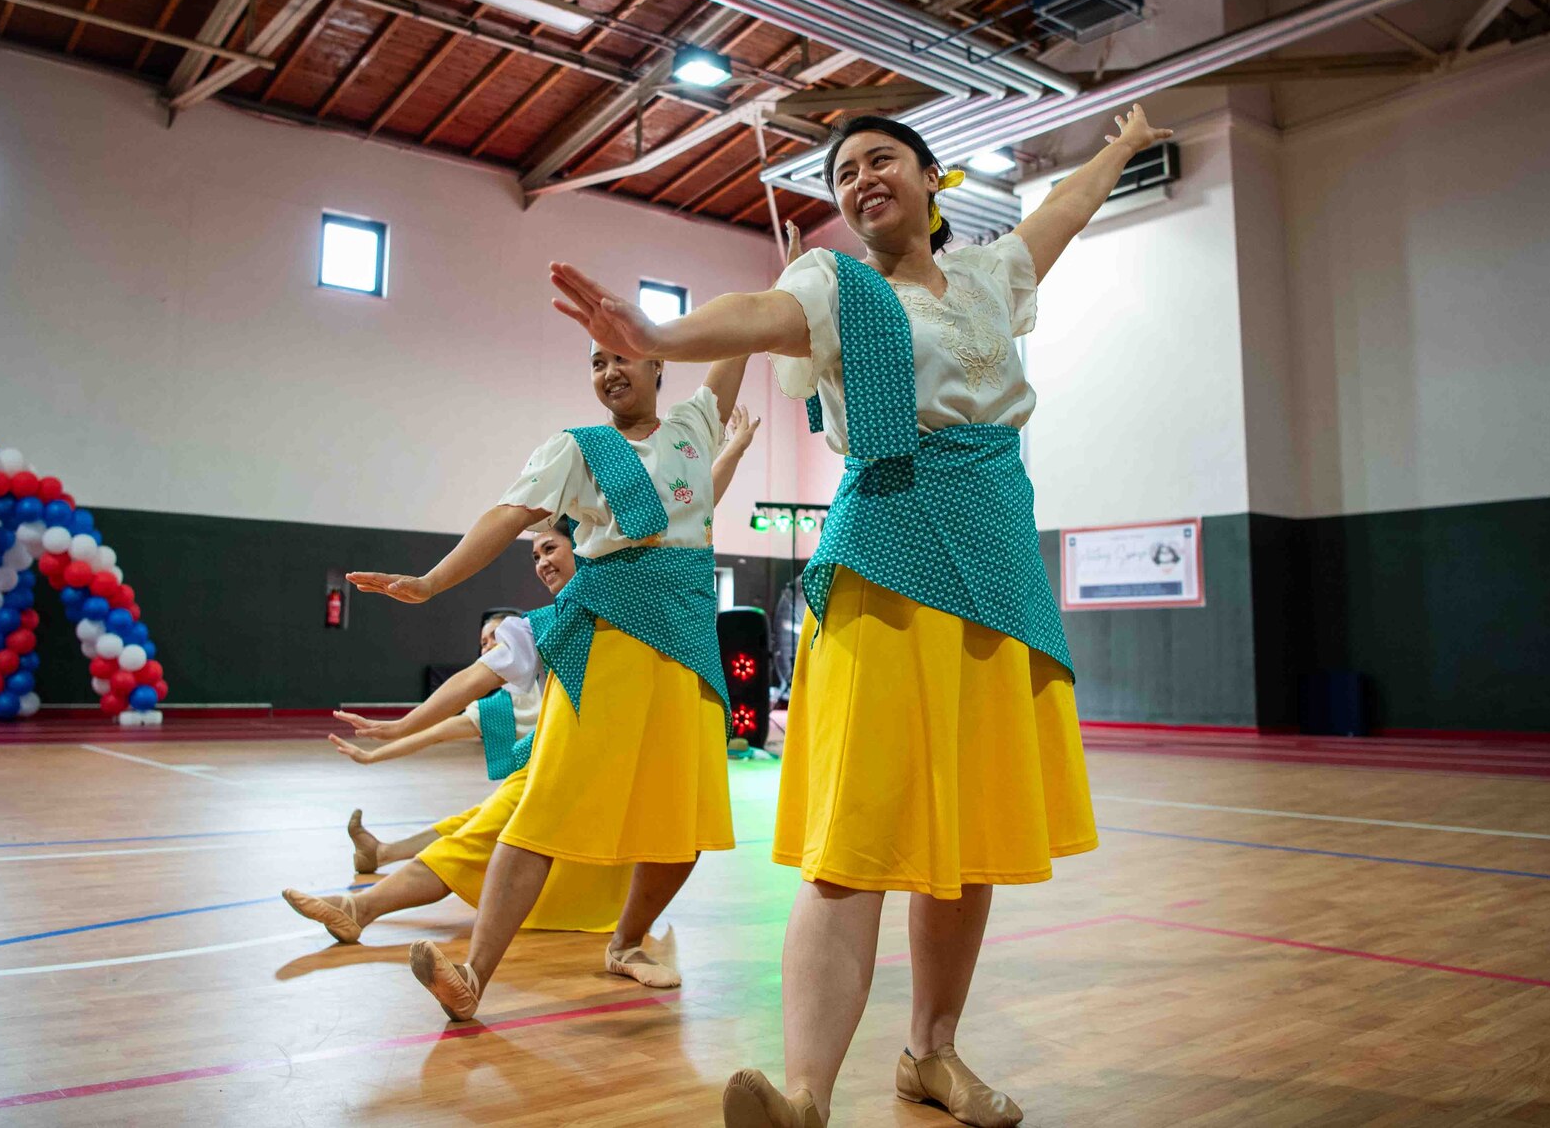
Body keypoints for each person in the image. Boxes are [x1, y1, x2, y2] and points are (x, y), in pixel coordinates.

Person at [547, 106, 1174, 1128]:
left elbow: (1062, 209)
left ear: (933, 181)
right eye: (842, 171)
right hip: (886, 558)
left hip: (998, 562)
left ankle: (930, 1053)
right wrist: (656, 334)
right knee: (856, 842)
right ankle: (805, 1094)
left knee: (965, 837)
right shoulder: (832, 289)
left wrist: (1119, 142)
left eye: (879, 159)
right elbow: (755, 310)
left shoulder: (990, 276)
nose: (858, 178)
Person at [347, 349, 752, 1018]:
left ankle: (625, 943)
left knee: (686, 826)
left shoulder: (692, 427)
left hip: (689, 650)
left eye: (623, 355)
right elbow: (505, 515)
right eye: (596, 361)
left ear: (658, 362)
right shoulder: (578, 448)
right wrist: (431, 581)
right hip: (608, 647)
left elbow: (737, 349)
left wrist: (782, 286)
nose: (609, 370)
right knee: (539, 816)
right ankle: (473, 975)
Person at [281, 407, 765, 942]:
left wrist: (734, 448)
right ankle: (365, 907)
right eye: (534, 555)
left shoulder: (634, 600)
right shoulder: (541, 624)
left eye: (551, 548)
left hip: (616, 767)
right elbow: (473, 683)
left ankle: (373, 898)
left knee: (479, 832)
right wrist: (400, 727)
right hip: (559, 768)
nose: (542, 562)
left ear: (585, 546)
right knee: (475, 833)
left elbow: (692, 509)